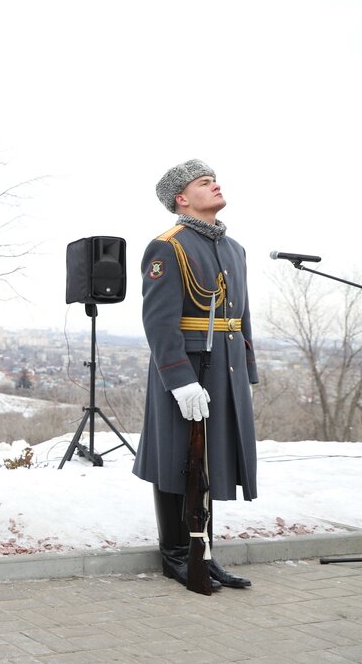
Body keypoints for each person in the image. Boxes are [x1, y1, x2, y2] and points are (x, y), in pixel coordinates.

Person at [134, 159, 258, 591]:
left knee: (208, 461)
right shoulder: (168, 247)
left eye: (215, 180)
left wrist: (247, 370)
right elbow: (159, 322)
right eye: (205, 182)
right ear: (182, 199)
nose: (216, 185)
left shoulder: (234, 248)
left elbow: (241, 316)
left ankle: (202, 554)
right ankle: (175, 555)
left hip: (225, 369)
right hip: (187, 370)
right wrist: (179, 380)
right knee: (177, 460)